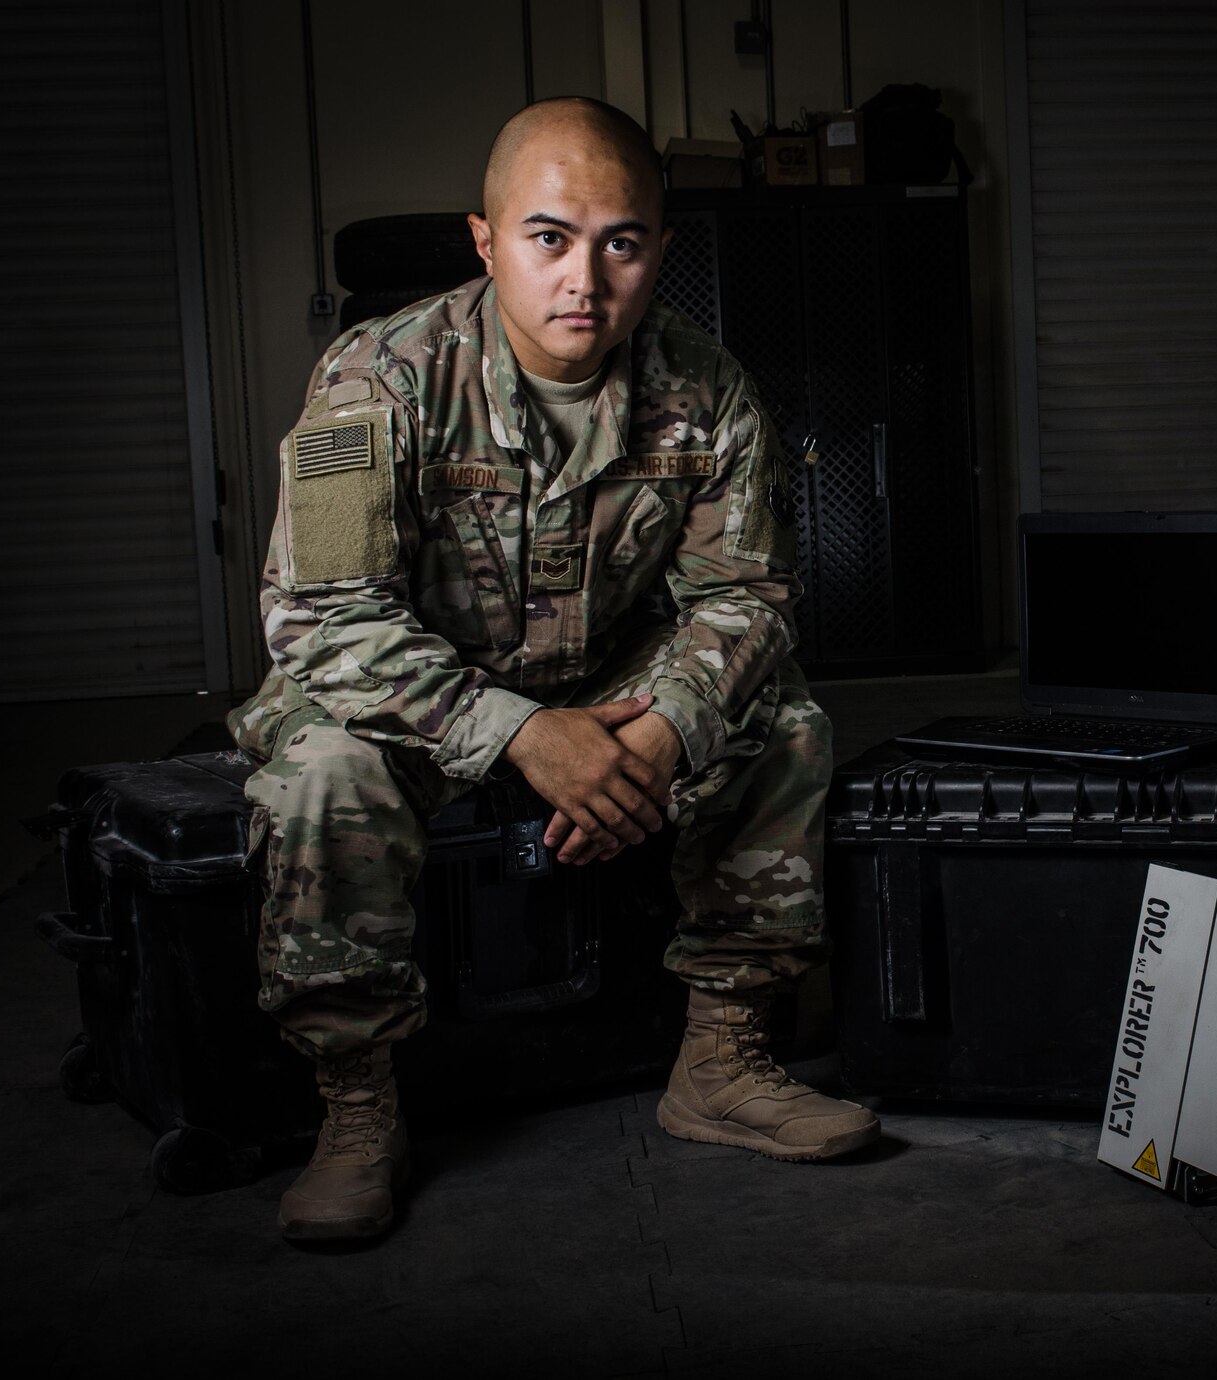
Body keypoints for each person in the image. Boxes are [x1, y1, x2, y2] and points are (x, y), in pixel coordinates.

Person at [226, 96, 878, 1242]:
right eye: (548, 237)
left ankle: (722, 1056)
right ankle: (355, 1107)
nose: (586, 277)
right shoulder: (377, 379)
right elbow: (322, 621)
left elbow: (749, 598)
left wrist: (662, 729)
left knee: (780, 724)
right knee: (320, 770)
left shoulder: (706, 387)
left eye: (620, 242)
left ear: (658, 251)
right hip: (409, 692)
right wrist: (526, 737)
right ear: (485, 240)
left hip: (606, 684)